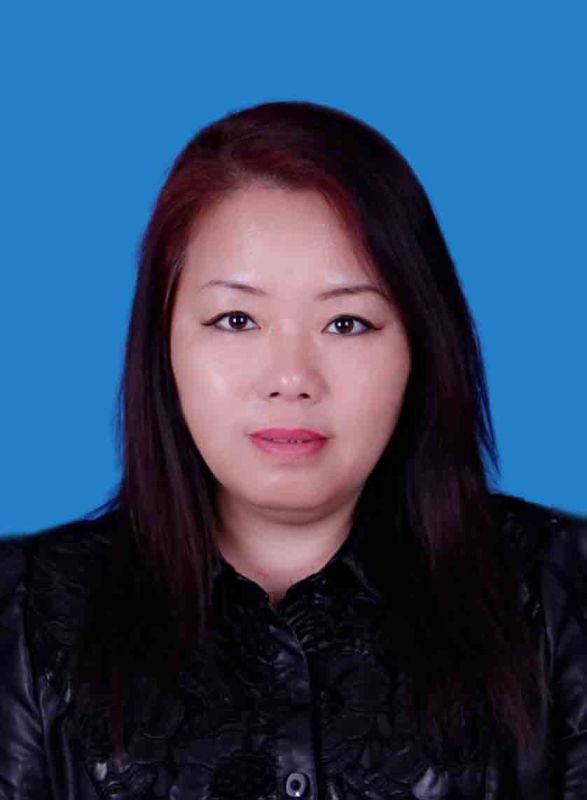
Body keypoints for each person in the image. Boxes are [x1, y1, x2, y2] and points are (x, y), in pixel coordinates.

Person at [0, 100, 586, 800]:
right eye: (236, 319)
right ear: (163, 345)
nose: (290, 379)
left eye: (346, 323)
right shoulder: (24, 616)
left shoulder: (561, 594)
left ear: (421, 346)